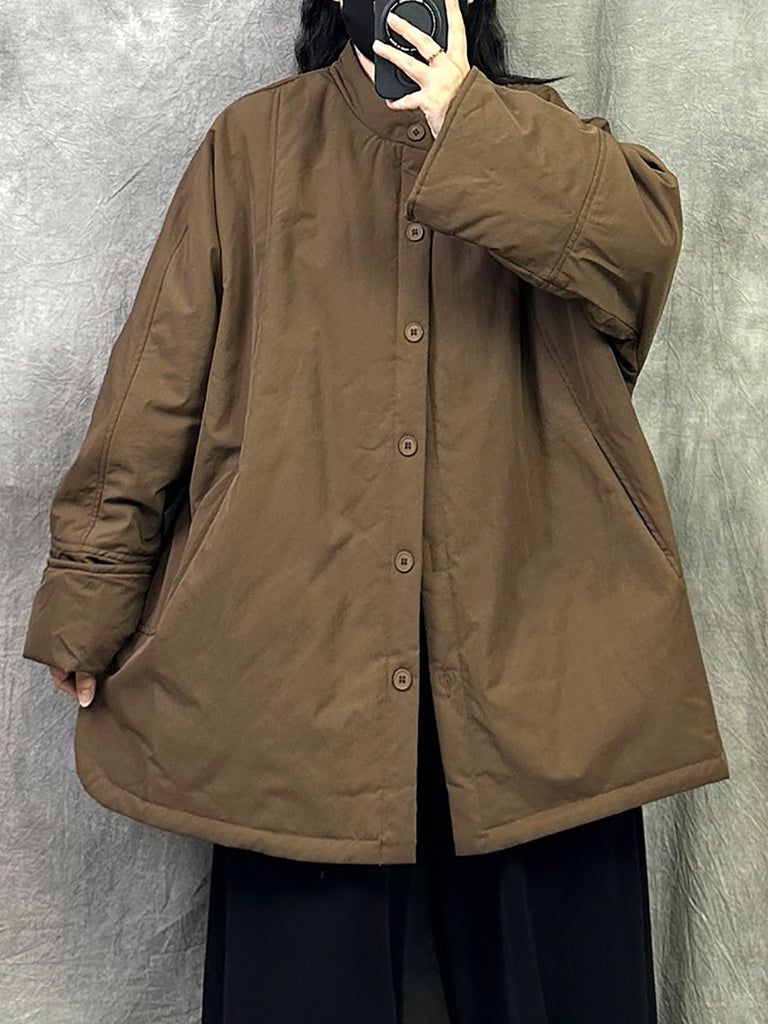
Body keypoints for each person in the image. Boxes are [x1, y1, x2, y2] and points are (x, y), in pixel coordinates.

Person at [24, 0, 730, 1020]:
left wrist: (468, 120)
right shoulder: (252, 147)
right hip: (295, 683)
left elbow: (639, 252)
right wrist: (90, 593)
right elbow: (152, 390)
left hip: (545, 678)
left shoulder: (550, 146)